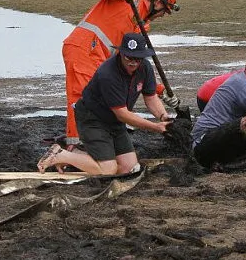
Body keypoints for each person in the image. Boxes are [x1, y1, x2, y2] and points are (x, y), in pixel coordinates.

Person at [61, 0, 179, 152]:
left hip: (100, 58)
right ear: (158, 3)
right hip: (84, 49)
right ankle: (76, 146)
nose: (162, 16)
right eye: (165, 11)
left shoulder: (140, 26)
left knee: (109, 94)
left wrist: (160, 91)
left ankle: (99, 137)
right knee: (83, 99)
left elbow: (134, 67)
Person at [39, 32, 172, 176]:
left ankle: (73, 153)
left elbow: (151, 98)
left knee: (128, 168)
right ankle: (60, 155)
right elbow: (122, 114)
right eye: (128, 57)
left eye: (137, 58)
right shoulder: (108, 74)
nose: (132, 62)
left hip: (114, 121)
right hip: (93, 119)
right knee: (108, 170)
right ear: (121, 53)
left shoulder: (145, 68)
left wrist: (163, 117)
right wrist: (155, 127)